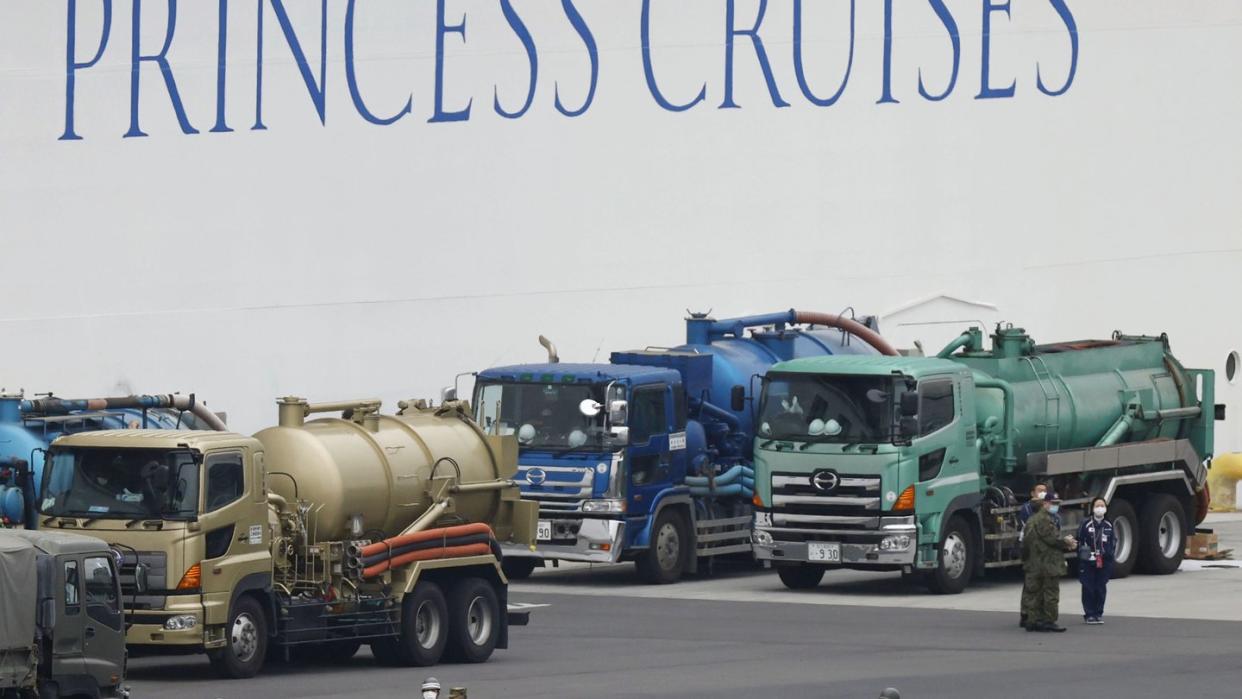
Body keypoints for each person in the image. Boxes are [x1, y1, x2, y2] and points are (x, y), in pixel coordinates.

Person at [1022, 491, 1076, 632]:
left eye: (1057, 504)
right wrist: (1067, 542)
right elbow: (1052, 539)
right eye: (1053, 503)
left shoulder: (1032, 519)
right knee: (1051, 593)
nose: (1055, 506)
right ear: (1045, 503)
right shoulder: (1045, 519)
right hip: (1048, 563)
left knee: (1034, 593)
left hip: (1034, 563)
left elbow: (1025, 543)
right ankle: (1049, 621)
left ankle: (1033, 620)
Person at [1077, 497, 1115, 624]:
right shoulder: (1086, 523)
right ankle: (1089, 614)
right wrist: (1084, 555)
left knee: (1100, 587)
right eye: (1097, 505)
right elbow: (1080, 540)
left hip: (1103, 561)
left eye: (1102, 505)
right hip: (1088, 561)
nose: (1100, 508)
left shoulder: (1109, 525)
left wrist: (1108, 555)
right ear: (1093, 508)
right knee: (1088, 587)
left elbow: (1113, 542)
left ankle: (1098, 613)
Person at [1018, 482, 1049, 628]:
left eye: (1044, 490)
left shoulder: (1048, 508)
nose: (1042, 493)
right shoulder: (1027, 509)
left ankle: (1037, 614)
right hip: (1031, 551)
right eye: (1039, 490)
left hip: (1044, 552)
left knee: (1041, 585)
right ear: (1032, 493)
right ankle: (1026, 614)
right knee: (1030, 584)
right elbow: (1030, 528)